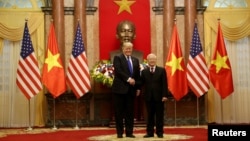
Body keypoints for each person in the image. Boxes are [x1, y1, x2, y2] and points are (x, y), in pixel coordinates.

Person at [112, 41, 141, 138]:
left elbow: (137, 75)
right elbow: (118, 71)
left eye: (130, 48)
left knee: (130, 112)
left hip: (131, 91)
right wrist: (129, 79)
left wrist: (138, 88)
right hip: (119, 90)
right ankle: (119, 133)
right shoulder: (117, 58)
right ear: (123, 49)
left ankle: (129, 132)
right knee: (119, 112)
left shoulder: (136, 60)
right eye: (127, 48)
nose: (128, 50)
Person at [140, 53, 168, 138]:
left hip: (159, 97)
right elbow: (141, 83)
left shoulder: (162, 70)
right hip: (148, 97)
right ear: (147, 61)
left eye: (153, 59)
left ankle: (160, 132)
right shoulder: (144, 72)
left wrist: (164, 95)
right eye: (150, 59)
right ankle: (150, 133)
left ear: (156, 60)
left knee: (159, 116)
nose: (152, 61)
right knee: (150, 116)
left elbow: (164, 84)